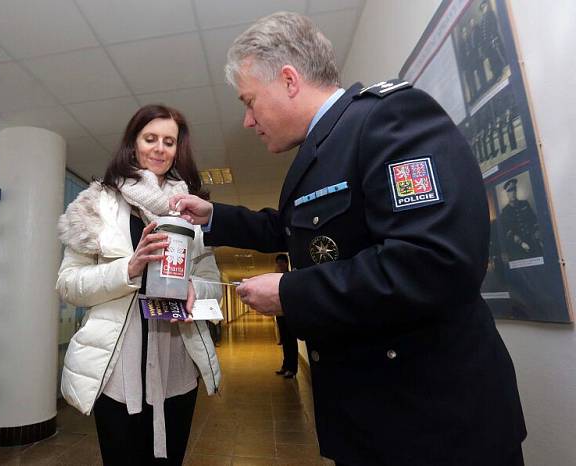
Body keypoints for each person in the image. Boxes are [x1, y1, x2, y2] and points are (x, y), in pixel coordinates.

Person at [171, 12, 525, 466]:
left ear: (289, 80)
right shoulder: (326, 145)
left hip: (434, 426)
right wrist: (215, 216)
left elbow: (433, 262)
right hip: (377, 422)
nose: (247, 120)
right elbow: (298, 228)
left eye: (249, 101)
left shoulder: (389, 118)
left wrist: (290, 292)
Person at [57, 104, 222, 465]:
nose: (160, 148)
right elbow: (68, 285)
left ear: (179, 149)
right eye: (151, 139)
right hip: (116, 370)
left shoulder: (191, 210)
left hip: (177, 366)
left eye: (169, 141)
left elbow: (214, 284)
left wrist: (195, 289)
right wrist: (128, 269)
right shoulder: (96, 203)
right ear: (133, 144)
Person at [500, 178, 542, 260]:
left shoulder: (525, 203)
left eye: (514, 189)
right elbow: (508, 232)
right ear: (507, 193)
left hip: (533, 240)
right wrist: (521, 243)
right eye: (510, 191)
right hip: (518, 247)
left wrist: (537, 233)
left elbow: (534, 220)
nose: (513, 193)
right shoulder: (505, 211)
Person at [273, 253, 297, 378]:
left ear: (286, 263)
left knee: (291, 341)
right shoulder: (278, 278)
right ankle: (285, 366)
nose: (279, 265)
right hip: (280, 314)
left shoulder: (290, 276)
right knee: (285, 341)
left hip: (289, 314)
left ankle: (292, 369)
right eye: (278, 263)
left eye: (281, 263)